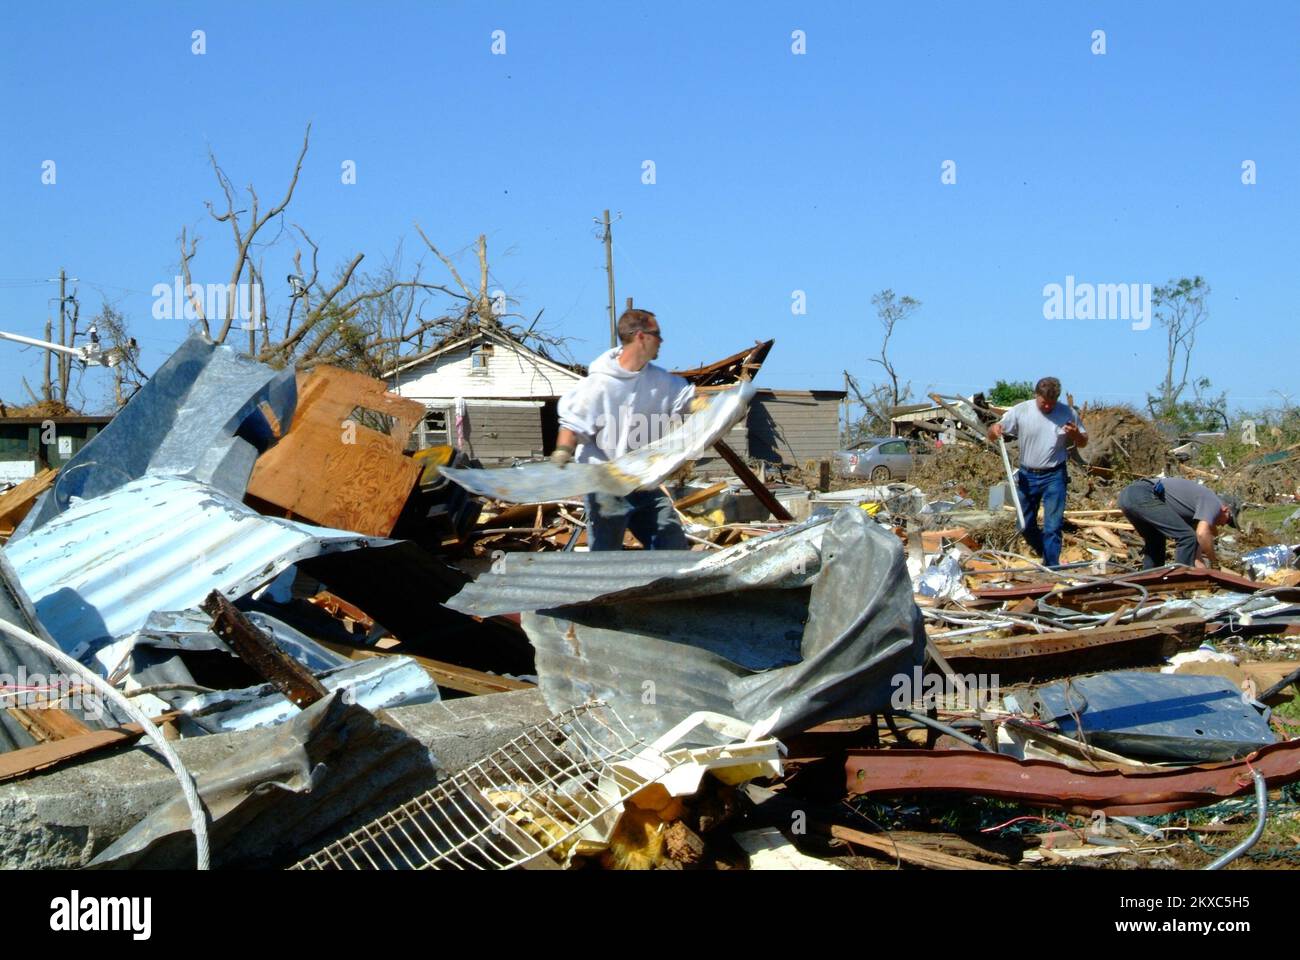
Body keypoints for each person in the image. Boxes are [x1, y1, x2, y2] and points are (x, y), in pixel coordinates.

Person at [553, 308, 696, 551]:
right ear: (641, 336)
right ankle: (604, 588)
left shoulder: (663, 382)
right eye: (657, 334)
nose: (662, 341)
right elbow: (572, 425)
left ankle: (670, 587)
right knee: (606, 551)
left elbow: (691, 403)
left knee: (671, 543)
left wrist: (729, 407)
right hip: (604, 480)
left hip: (643, 480)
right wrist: (561, 454)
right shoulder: (599, 385)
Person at [986, 376, 1087, 567]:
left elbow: (1083, 441)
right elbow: (991, 434)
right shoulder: (1022, 410)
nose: (1047, 407)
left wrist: (1074, 434)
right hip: (1027, 475)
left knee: (1052, 526)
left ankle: (1050, 567)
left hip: (1055, 475)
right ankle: (1044, 553)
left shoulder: (1067, 413)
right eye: (1043, 403)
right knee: (1023, 524)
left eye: (1051, 403)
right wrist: (994, 430)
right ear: (1036, 396)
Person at [1118, 476, 1240, 569]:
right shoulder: (1214, 502)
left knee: (1156, 541)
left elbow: (1195, 558)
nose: (1224, 525)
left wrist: (1206, 576)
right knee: (1186, 537)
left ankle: (1150, 586)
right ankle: (1181, 586)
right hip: (1141, 494)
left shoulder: (1194, 514)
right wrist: (1214, 563)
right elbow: (1202, 534)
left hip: (1126, 498)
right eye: (1228, 520)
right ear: (1225, 509)